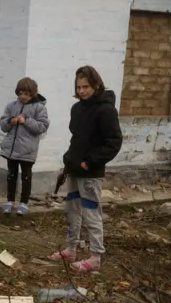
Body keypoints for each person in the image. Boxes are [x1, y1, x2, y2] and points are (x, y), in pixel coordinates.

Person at [47, 65, 123, 273]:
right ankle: (71, 248)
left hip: (90, 174)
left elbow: (114, 142)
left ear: (96, 85)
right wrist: (68, 164)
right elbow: (77, 139)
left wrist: (89, 162)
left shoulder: (106, 110)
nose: (81, 91)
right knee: (72, 211)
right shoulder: (77, 108)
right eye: (79, 87)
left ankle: (96, 257)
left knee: (91, 214)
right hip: (74, 170)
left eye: (86, 87)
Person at [0, 77, 50, 216]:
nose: (23, 96)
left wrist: (26, 120)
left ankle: (24, 203)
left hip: (28, 150)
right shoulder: (11, 106)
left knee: (26, 176)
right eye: (20, 93)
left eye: (26, 93)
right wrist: (10, 121)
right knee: (11, 175)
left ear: (33, 93)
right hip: (12, 149)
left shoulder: (39, 108)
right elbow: (3, 124)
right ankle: (9, 201)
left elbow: (42, 126)